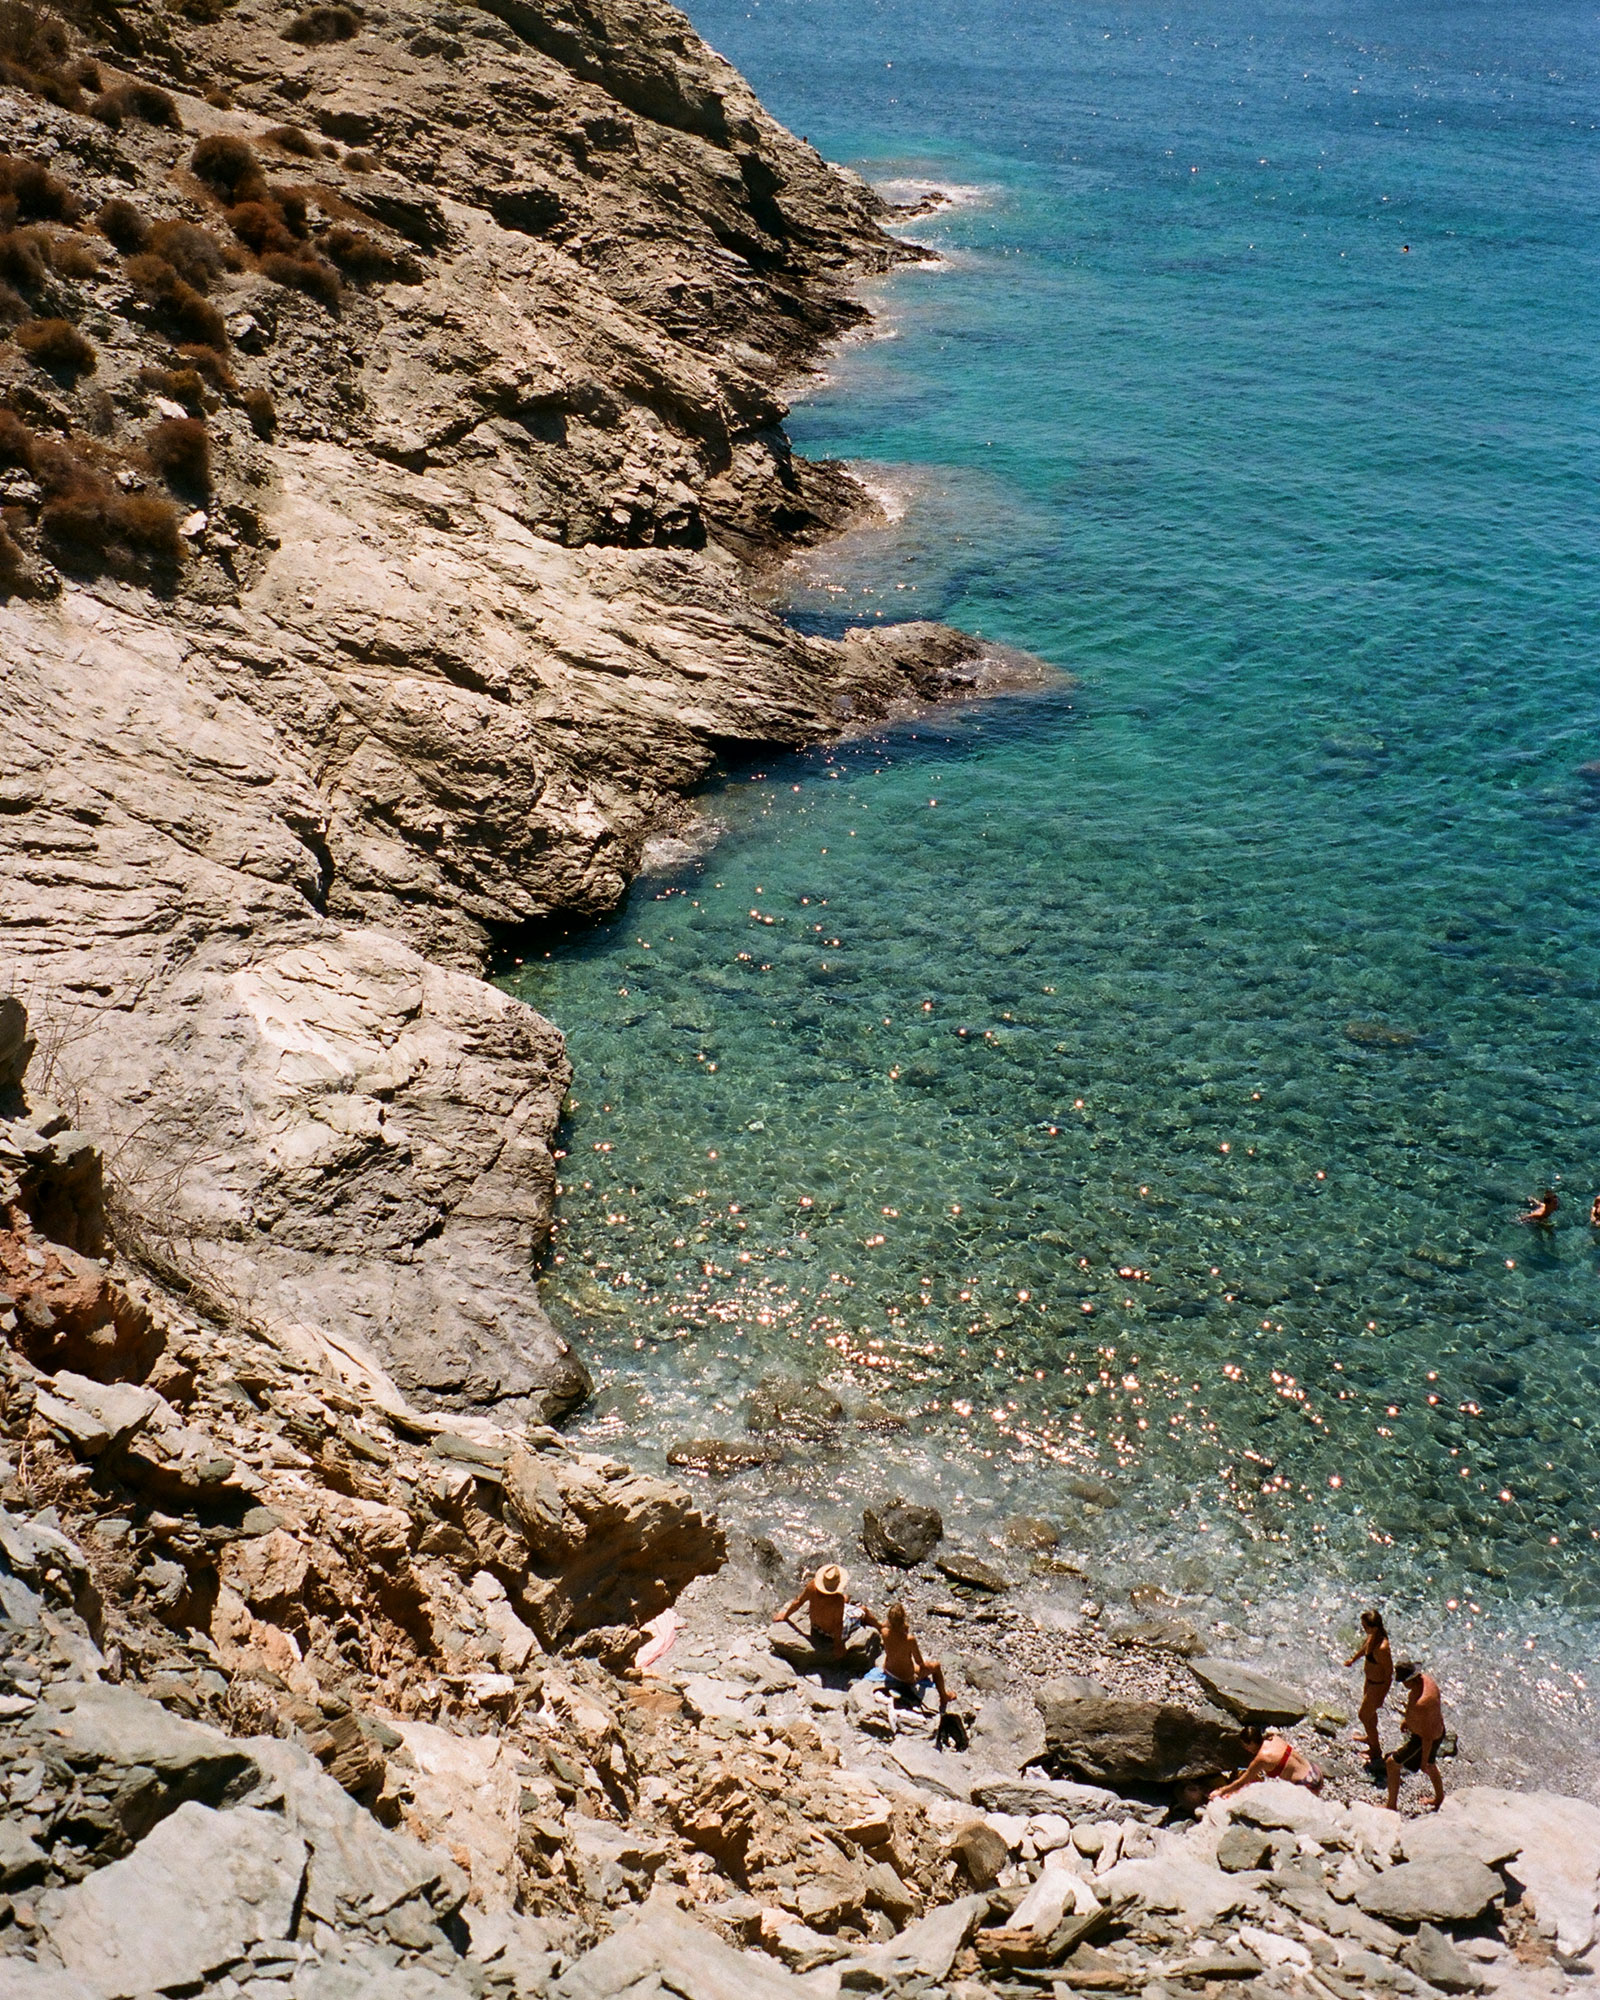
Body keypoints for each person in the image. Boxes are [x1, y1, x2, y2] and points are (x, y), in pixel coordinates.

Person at [774, 1564, 879, 1662]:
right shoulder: (837, 1599)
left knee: (846, 1597)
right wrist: (838, 1645)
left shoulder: (811, 1586)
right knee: (863, 1609)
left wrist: (785, 1615)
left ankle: (850, 1603)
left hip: (815, 1626)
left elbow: (798, 1602)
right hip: (830, 1633)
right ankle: (880, 1627)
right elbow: (838, 1624)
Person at [864, 1601, 950, 1715]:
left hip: (888, 1670)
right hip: (906, 1677)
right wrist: (926, 1667)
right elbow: (919, 1662)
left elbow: (887, 1626)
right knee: (936, 1666)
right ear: (903, 1619)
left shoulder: (884, 1632)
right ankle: (944, 1696)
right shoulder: (909, 1639)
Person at [1385, 1661, 1445, 1812]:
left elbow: (1427, 1737)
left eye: (1404, 1682)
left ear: (1411, 1680)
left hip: (1424, 1738)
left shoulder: (1423, 1702)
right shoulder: (1425, 1680)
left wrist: (1423, 1761)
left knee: (1392, 1764)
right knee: (1431, 1766)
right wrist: (1408, 1720)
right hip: (1433, 1729)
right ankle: (1439, 1798)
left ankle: (1391, 1805)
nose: (1403, 1685)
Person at [1209, 1723, 1324, 1800]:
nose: (1246, 1749)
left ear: (1252, 1743)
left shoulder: (1261, 1758)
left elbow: (1241, 1782)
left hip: (1306, 1784)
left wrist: (1221, 1792)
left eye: (1246, 1746)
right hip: (1315, 1772)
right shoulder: (1274, 1738)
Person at [1345, 1608, 1393, 1767]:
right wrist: (1353, 1659)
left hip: (1378, 1686)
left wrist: (1382, 1695)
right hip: (1370, 1681)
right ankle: (1371, 1738)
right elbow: (1364, 1649)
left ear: (1375, 1627)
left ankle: (1376, 1750)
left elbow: (1389, 1673)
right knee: (1369, 1715)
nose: (1364, 1629)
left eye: (1365, 1626)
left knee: (1363, 1715)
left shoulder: (1382, 1648)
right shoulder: (1372, 1636)